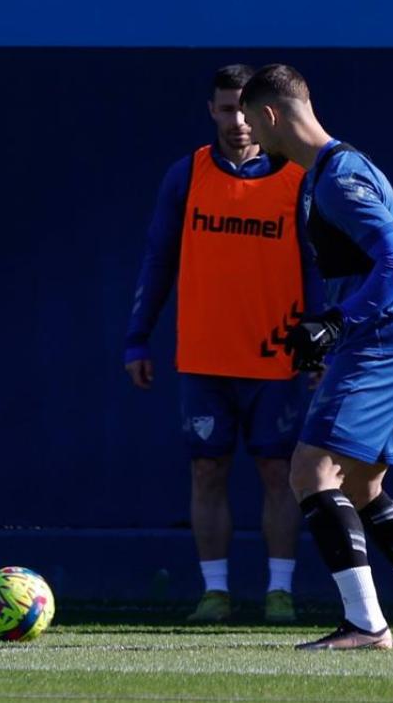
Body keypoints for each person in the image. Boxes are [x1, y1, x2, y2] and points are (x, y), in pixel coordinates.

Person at [240, 63, 393, 650]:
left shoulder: (338, 179)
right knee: (363, 486)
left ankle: (366, 625)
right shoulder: (334, 172)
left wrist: (339, 323)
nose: (252, 138)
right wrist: (327, 339)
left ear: (270, 115)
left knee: (310, 472)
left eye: (252, 123)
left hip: (384, 343)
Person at [124, 66, 318, 623]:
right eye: (226, 109)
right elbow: (159, 260)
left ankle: (279, 591)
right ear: (211, 111)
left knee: (279, 474)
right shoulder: (187, 175)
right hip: (204, 360)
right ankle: (216, 591)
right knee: (207, 471)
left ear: (266, 113)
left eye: (245, 109)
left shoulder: (297, 179)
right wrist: (138, 338)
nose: (237, 121)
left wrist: (315, 348)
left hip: (275, 360)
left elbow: (314, 267)